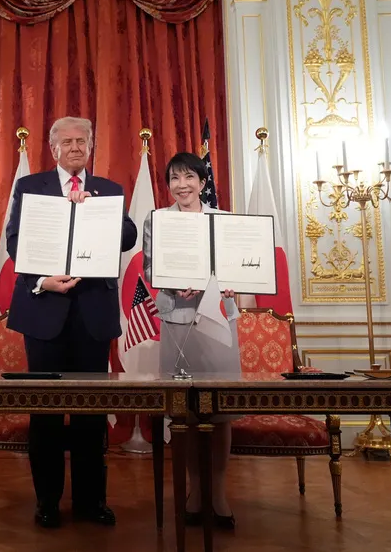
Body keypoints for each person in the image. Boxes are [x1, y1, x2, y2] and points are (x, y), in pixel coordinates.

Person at [5, 116, 138, 529]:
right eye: (68, 141)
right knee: (44, 413)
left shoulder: (108, 190)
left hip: (92, 316)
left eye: (83, 140)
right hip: (44, 310)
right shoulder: (30, 187)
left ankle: (91, 502)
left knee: (91, 414)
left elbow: (129, 237)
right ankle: (47, 502)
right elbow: (15, 241)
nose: (76, 147)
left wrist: (99, 212)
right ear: (54, 148)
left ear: (91, 146)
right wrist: (43, 280)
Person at [142, 151, 239, 529]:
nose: (181, 185)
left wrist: (230, 281)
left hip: (217, 318)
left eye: (189, 177)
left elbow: (236, 266)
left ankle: (219, 492)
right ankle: (195, 491)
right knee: (184, 411)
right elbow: (151, 267)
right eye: (174, 178)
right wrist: (172, 283)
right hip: (177, 319)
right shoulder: (157, 220)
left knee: (221, 411)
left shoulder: (224, 221)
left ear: (202, 182)